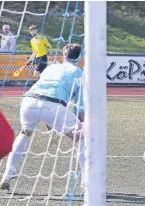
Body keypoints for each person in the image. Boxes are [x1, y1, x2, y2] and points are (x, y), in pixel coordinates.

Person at [0, 43, 84, 190]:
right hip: (53, 105)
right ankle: (87, 184)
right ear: (80, 56)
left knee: (25, 133)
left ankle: (7, 175)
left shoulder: (51, 67)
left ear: (64, 55)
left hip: (29, 101)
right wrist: (81, 129)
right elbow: (80, 108)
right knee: (84, 138)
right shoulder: (79, 73)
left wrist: (51, 128)